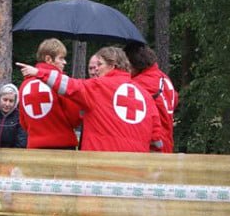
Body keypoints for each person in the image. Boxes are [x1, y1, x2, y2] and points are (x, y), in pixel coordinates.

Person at [17, 46, 162, 152]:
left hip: (100, 164)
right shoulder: (145, 95)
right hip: (136, 166)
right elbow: (156, 139)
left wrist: (39, 72)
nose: (96, 69)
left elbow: (68, 85)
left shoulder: (98, 87)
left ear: (113, 65)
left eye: (100, 64)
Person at [18, 38, 81, 149]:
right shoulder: (60, 83)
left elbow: (23, 122)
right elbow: (74, 117)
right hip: (62, 146)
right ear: (48, 59)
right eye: (61, 58)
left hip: (34, 147)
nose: (64, 62)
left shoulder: (24, 85)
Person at [124, 43, 179, 153]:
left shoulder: (140, 84)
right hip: (167, 143)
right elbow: (175, 100)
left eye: (127, 65)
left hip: (152, 146)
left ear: (134, 63)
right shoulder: (163, 78)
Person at [0, 84, 27, 148]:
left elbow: (21, 142)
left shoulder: (19, 117)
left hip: (13, 153)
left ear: (15, 102)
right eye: (5, 100)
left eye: (11, 101)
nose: (7, 104)